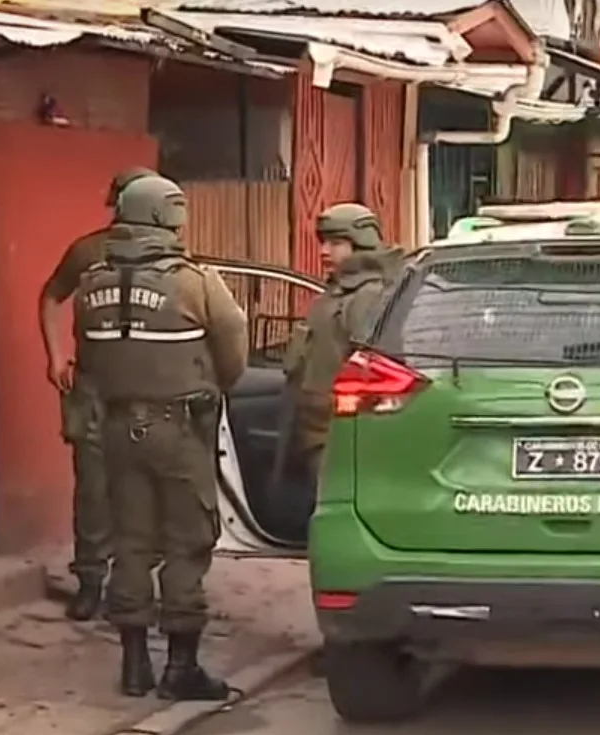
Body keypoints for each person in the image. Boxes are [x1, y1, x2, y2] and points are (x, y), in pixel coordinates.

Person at [73, 174, 249, 700]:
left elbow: (89, 356)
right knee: (186, 542)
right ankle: (181, 669)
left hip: (117, 427)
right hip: (179, 429)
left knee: (130, 542)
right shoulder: (196, 281)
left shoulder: (89, 281)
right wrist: (212, 385)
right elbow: (234, 346)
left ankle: (132, 666)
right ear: (166, 217)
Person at [39, 166, 157, 621]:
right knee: (94, 490)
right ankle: (91, 580)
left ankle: (138, 584)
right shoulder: (89, 251)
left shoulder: (172, 258)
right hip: (95, 389)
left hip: (149, 392)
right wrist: (56, 357)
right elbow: (51, 296)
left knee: (148, 491)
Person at [280, 203, 405, 480]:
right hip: (315, 431)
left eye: (336, 243)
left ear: (361, 245)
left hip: (341, 434)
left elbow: (372, 368)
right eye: (324, 242)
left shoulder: (368, 296)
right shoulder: (338, 292)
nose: (325, 251)